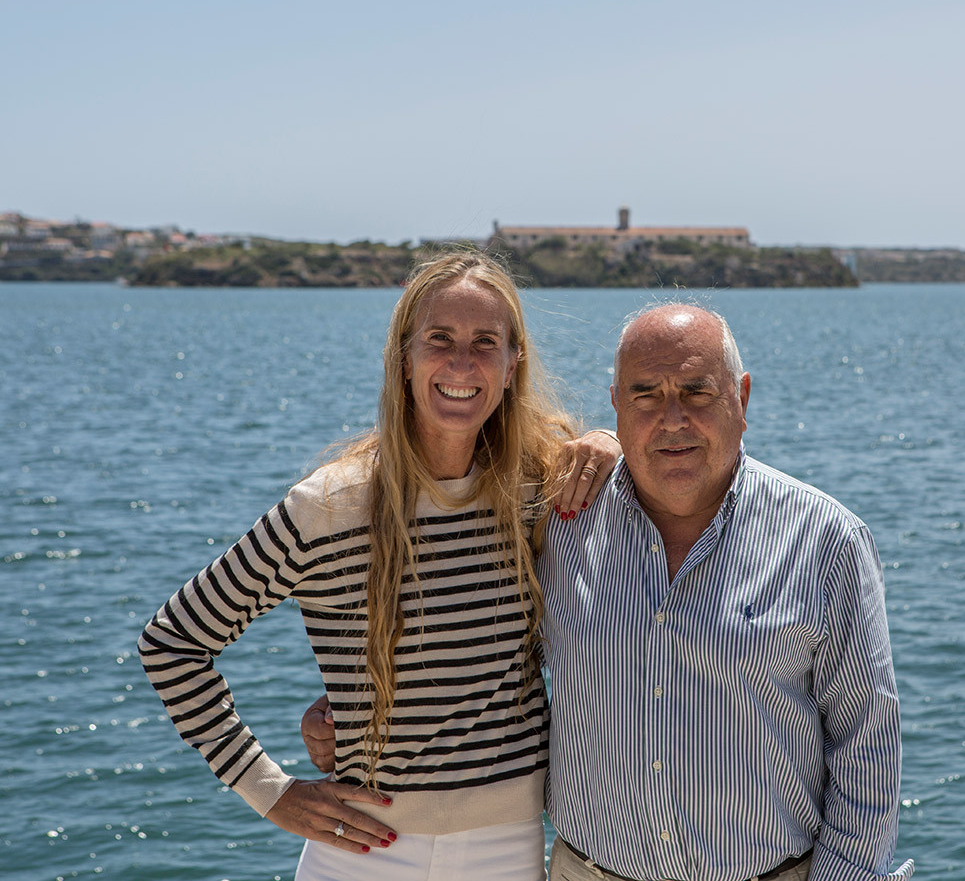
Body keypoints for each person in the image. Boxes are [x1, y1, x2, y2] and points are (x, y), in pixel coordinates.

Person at [302, 302, 914, 880]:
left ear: (742, 397)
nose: (672, 418)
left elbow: (869, 753)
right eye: (645, 395)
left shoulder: (828, 539)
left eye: (697, 392)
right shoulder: (559, 519)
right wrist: (356, 721)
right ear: (616, 405)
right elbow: (464, 645)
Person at [139, 252, 620, 881]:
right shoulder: (330, 507)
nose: (460, 364)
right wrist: (272, 793)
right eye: (439, 340)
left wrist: (607, 442)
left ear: (512, 364)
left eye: (485, 343)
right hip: (362, 852)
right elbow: (172, 643)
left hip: (508, 846)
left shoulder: (535, 490)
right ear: (404, 356)